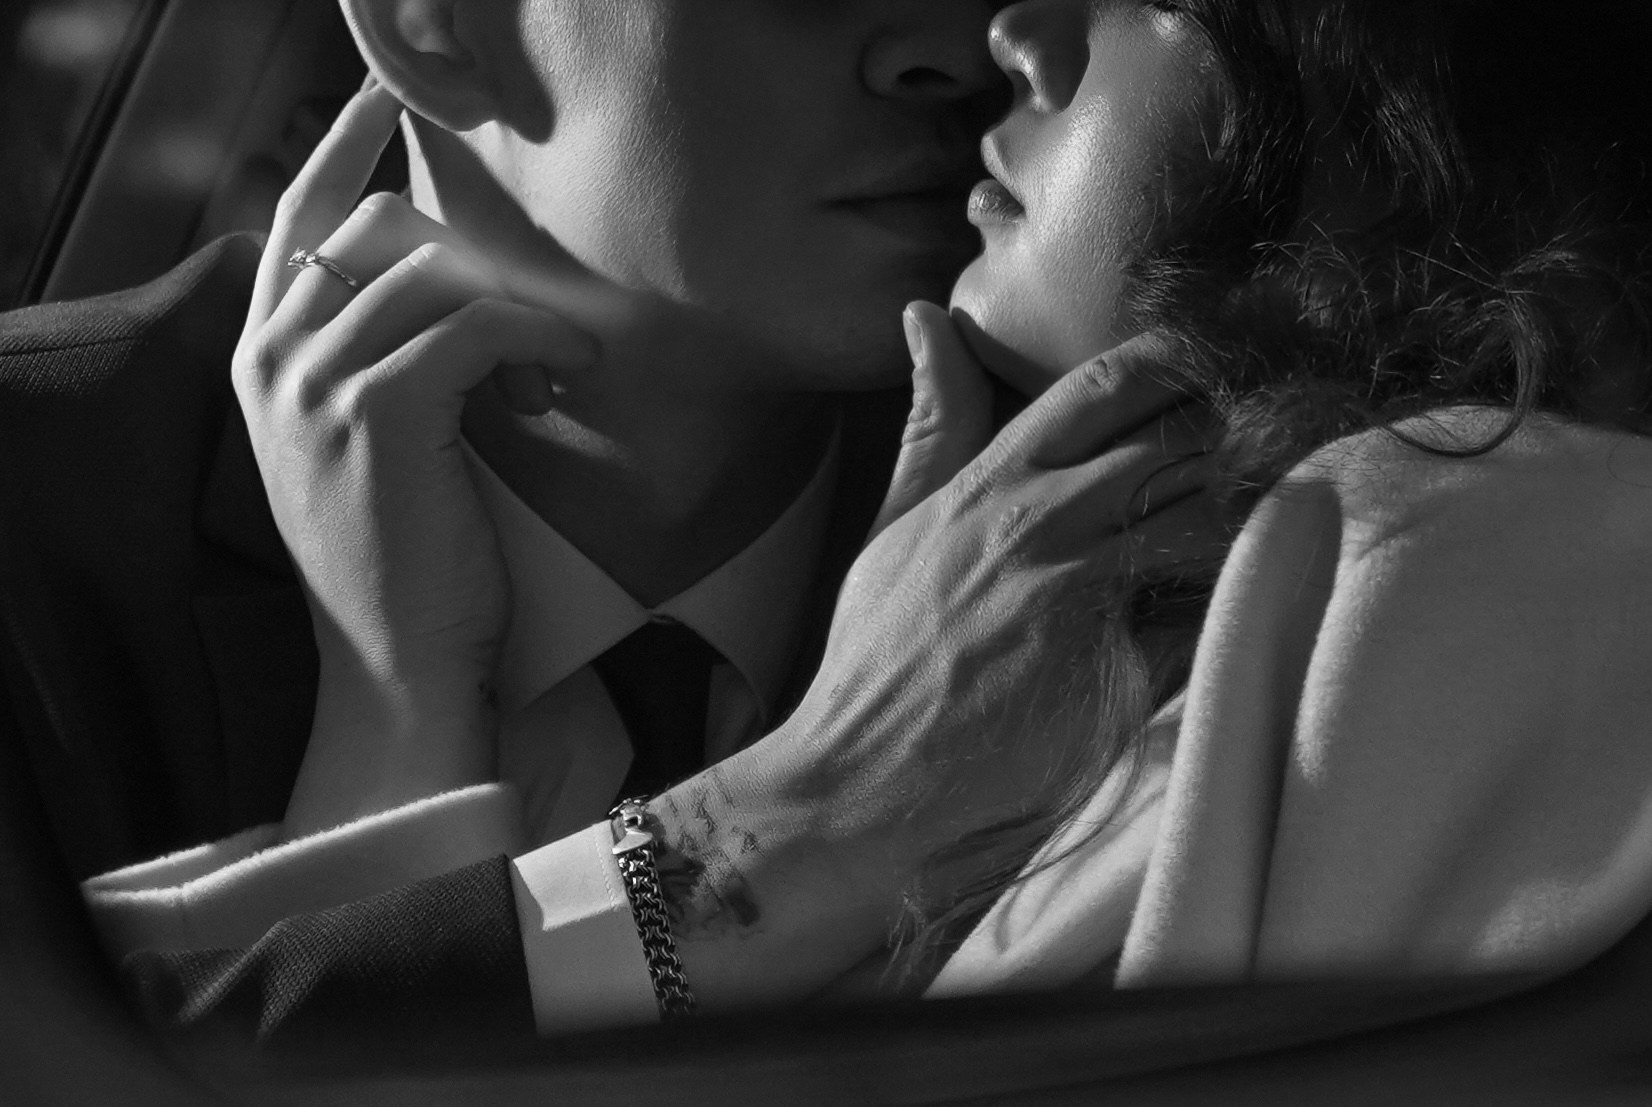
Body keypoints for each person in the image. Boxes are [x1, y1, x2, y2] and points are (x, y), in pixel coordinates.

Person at [78, 0, 1652, 1084]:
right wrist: (425, 729)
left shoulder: (1371, 570)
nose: (955, 42)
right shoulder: (49, 512)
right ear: (434, 23)